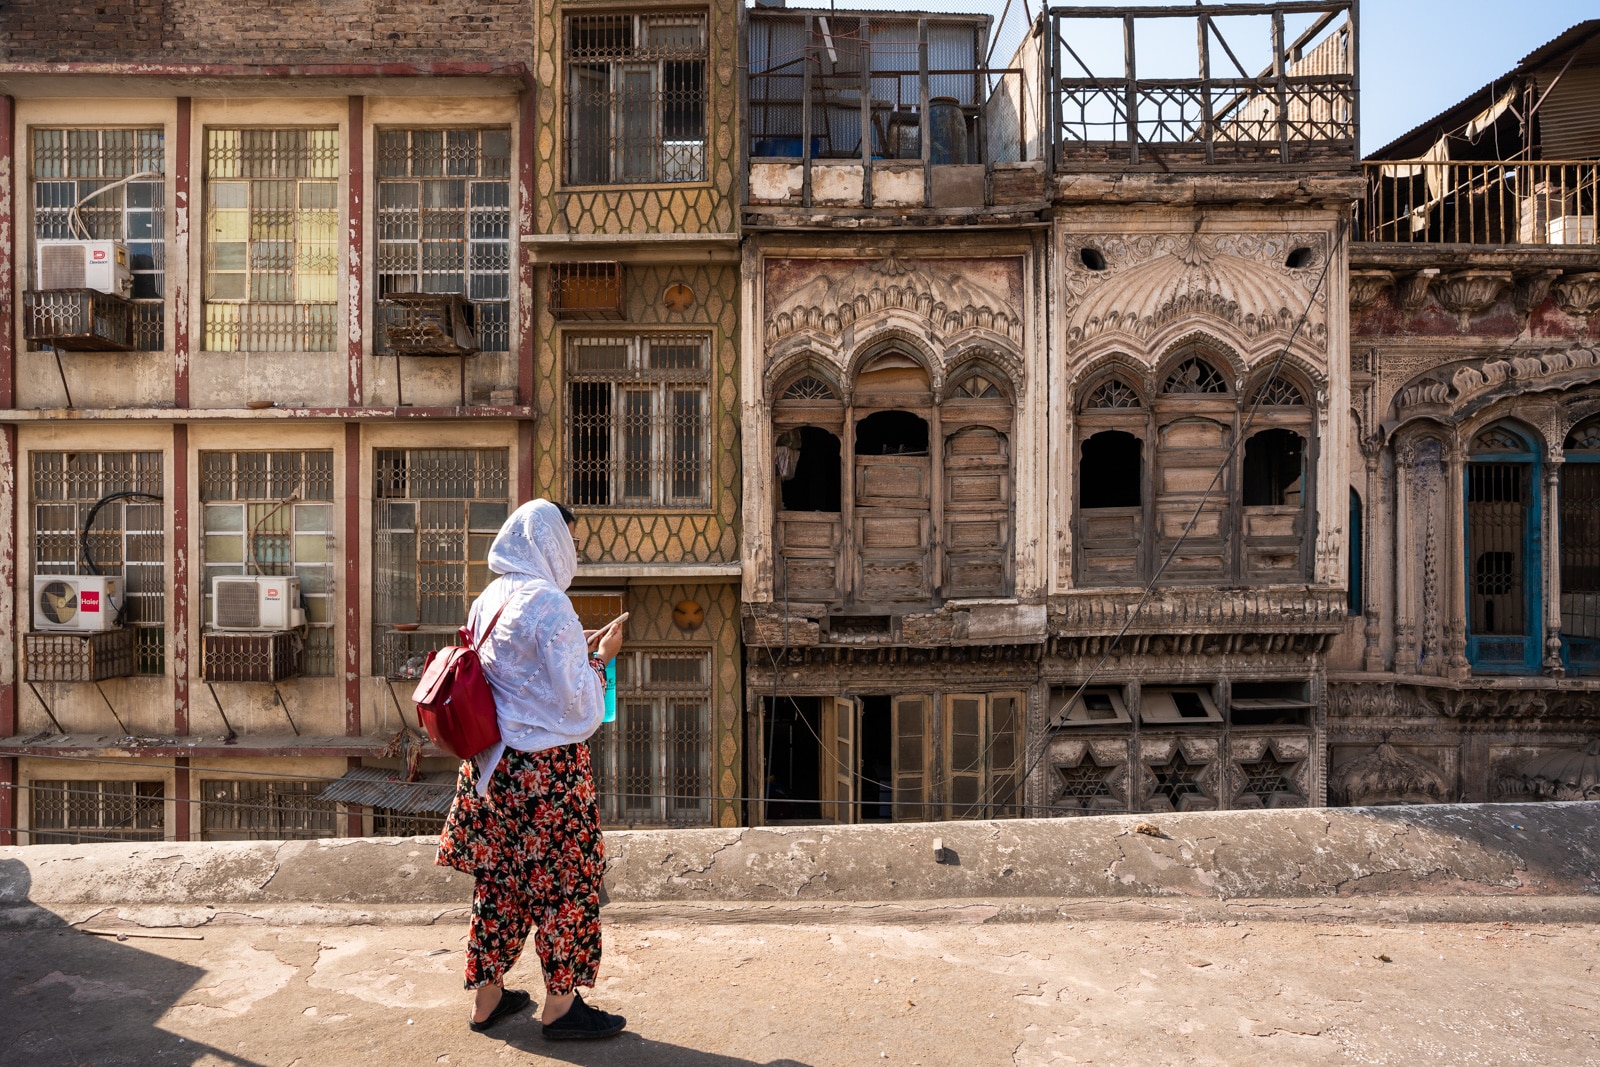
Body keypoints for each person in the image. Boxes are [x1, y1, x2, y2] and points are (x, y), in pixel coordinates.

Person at [435, 498, 627, 1040]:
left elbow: (516, 678)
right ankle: (562, 1010)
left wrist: (577, 654)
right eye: (572, 540)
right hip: (545, 775)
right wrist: (602, 656)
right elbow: (579, 706)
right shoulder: (549, 603)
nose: (576, 551)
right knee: (568, 883)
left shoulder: (488, 598)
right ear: (549, 541)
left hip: (490, 769)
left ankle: (487, 1001)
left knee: (500, 882)